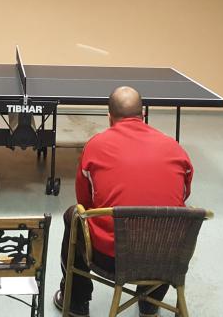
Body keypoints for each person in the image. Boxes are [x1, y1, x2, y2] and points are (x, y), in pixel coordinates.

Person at [54, 86, 193, 317]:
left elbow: (85, 203)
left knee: (74, 214)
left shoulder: (95, 146)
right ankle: (150, 303)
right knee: (167, 222)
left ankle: (77, 303)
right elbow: (183, 195)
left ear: (109, 117)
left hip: (111, 259)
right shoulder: (175, 148)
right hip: (167, 258)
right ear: (143, 115)